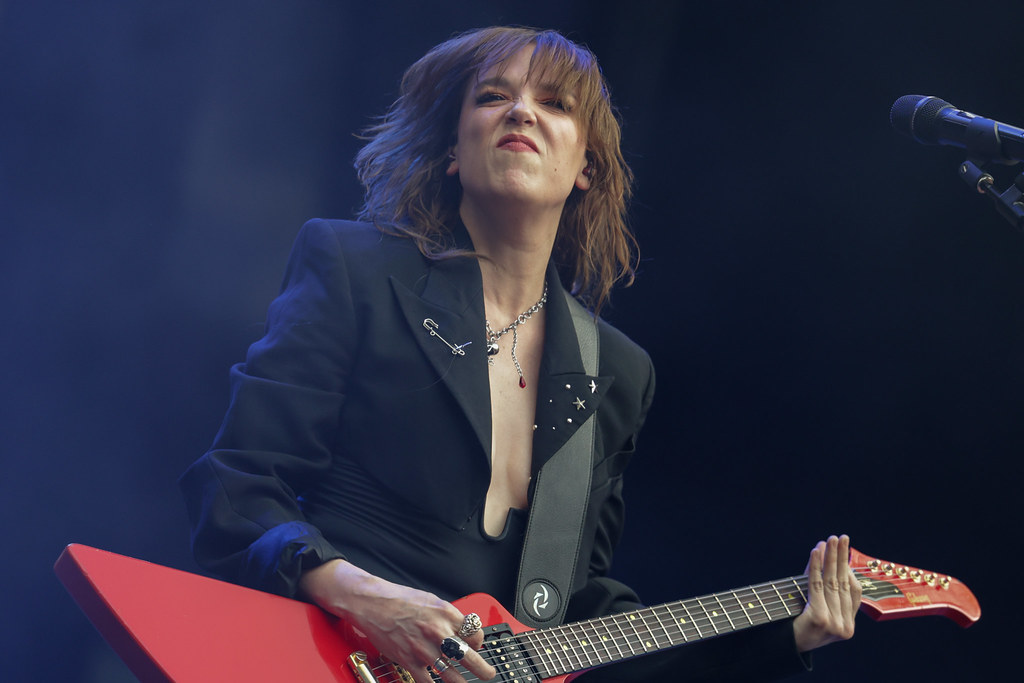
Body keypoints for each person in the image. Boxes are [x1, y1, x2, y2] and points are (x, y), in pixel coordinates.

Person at [180, 26, 860, 682]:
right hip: (314, 655)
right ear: (454, 149)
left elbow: (582, 624)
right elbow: (239, 485)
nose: (522, 112)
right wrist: (363, 596)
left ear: (586, 166)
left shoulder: (616, 372)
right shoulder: (355, 270)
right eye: (493, 96)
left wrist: (785, 634)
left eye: (555, 103)